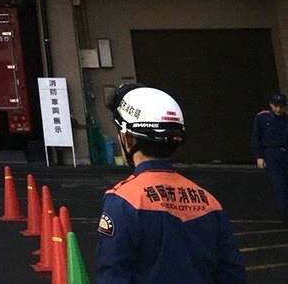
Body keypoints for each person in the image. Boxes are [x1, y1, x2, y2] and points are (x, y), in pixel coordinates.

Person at [96, 83, 244, 283]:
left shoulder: (123, 200)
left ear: (128, 139)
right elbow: (231, 272)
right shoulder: (209, 201)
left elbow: (113, 275)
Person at [252, 91, 288, 225]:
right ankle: (285, 215)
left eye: (281, 106)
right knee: (280, 186)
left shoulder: (285, 119)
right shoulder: (262, 118)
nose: (278, 109)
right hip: (271, 153)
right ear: (271, 105)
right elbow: (256, 137)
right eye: (276, 105)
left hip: (285, 152)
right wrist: (259, 156)